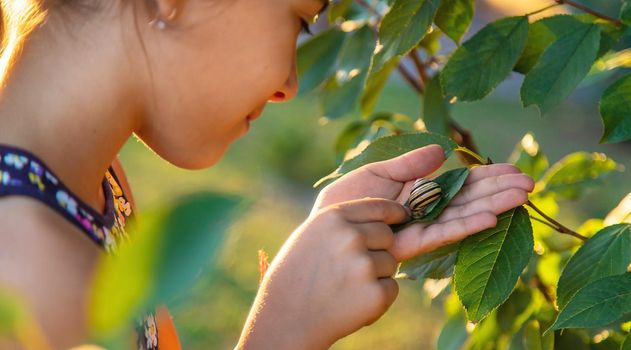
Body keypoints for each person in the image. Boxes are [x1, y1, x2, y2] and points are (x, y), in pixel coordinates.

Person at [0, 0, 535, 349]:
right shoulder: (29, 274)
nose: (289, 84)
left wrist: (302, 281)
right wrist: (283, 333)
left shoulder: (88, 183)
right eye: (300, 20)